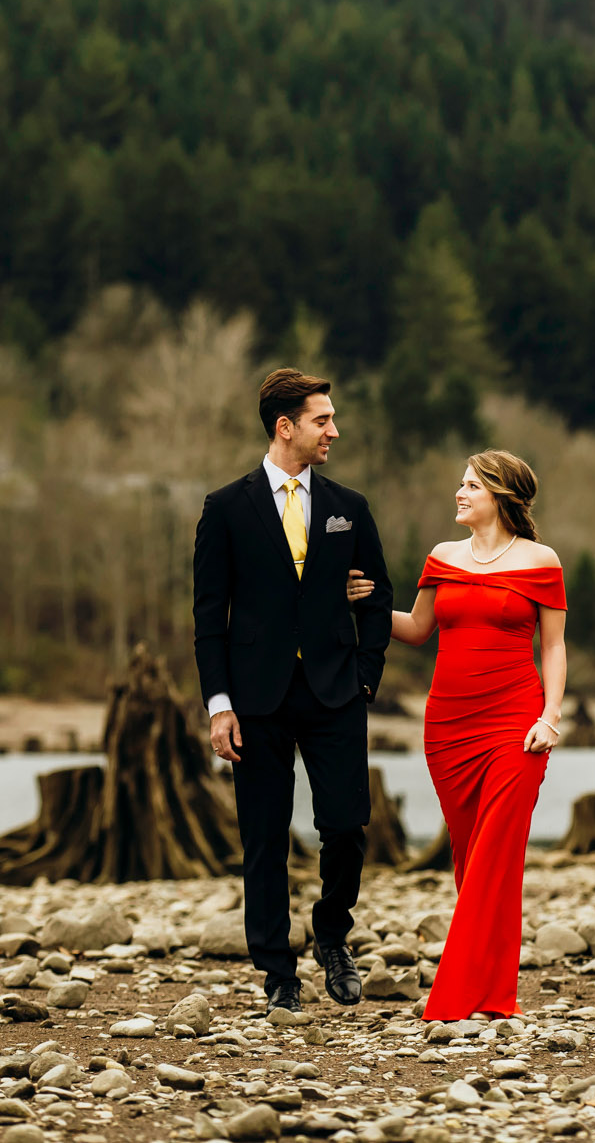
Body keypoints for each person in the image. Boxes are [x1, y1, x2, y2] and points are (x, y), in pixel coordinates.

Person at [194, 368, 394, 1013]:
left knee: (346, 827)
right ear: (286, 427)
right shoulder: (225, 508)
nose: (334, 430)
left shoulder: (348, 508)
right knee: (263, 835)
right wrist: (219, 706)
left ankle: (332, 938)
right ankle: (277, 970)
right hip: (255, 699)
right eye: (322, 420)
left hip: (336, 692)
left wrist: (365, 675)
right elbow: (209, 618)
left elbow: (379, 595)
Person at [347, 449, 565, 1020]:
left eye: (471, 485)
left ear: (499, 494)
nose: (459, 492)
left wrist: (552, 716)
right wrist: (366, 603)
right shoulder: (442, 557)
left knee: (498, 851)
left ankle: (455, 996)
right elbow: (417, 629)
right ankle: (494, 994)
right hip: (449, 726)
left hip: (518, 722)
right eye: (461, 484)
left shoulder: (542, 561)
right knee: (471, 857)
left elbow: (555, 647)